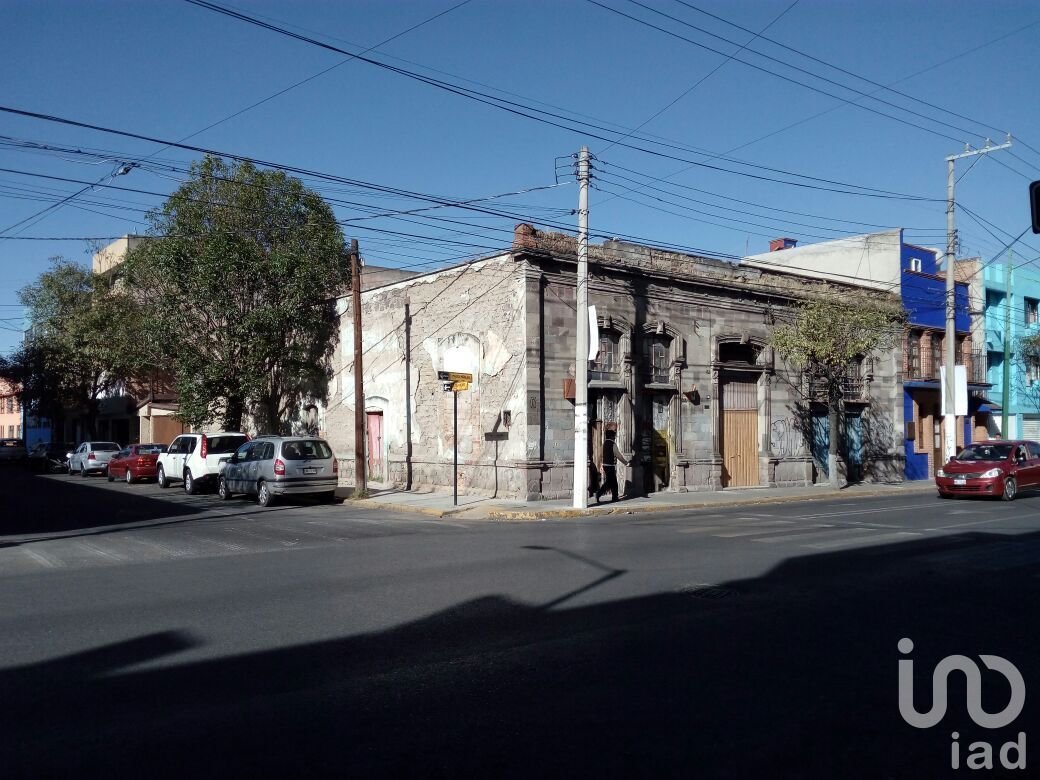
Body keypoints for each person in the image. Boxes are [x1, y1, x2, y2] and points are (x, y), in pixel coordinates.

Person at [596, 429, 630, 503]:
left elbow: (600, 455)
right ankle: (611, 496)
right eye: (614, 435)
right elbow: (618, 455)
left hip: (605, 465)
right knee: (613, 482)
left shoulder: (604, 443)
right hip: (610, 465)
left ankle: (603, 494)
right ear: (612, 436)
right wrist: (626, 463)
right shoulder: (612, 444)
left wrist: (601, 464)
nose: (614, 437)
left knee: (610, 481)